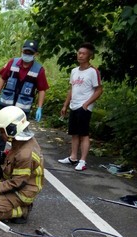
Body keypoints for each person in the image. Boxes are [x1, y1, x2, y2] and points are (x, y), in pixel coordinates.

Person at [0, 106, 44, 224]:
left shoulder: (25, 154)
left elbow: (16, 183)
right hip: (14, 183)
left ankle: (22, 211)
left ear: (11, 129)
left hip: (22, 193)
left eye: (1, 131)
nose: (0, 134)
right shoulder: (20, 141)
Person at [0, 39, 49, 153]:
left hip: (22, 109)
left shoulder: (39, 70)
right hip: (6, 105)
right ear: (22, 51)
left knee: (19, 134)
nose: (27, 55)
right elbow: (2, 78)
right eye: (25, 52)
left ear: (35, 54)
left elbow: (42, 89)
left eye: (30, 53)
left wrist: (39, 108)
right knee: (1, 131)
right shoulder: (12, 63)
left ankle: (16, 156)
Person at [58, 42, 103, 171]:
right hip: (73, 105)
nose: (80, 55)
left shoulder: (93, 72)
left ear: (90, 56)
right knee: (74, 133)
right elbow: (72, 89)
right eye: (79, 53)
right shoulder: (74, 71)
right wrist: (65, 105)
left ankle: (82, 160)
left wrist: (87, 104)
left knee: (84, 134)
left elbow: (99, 90)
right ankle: (73, 157)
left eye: (84, 53)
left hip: (84, 107)